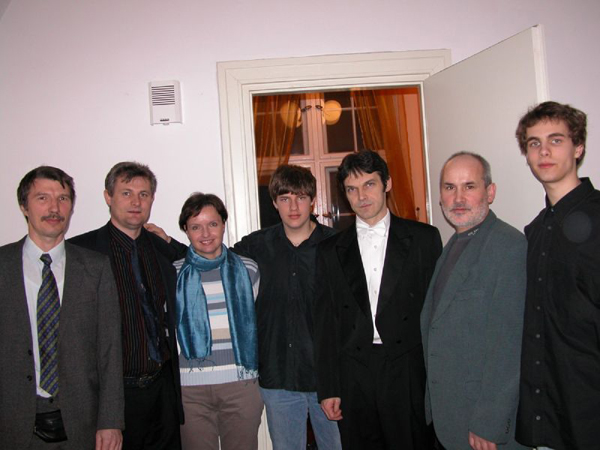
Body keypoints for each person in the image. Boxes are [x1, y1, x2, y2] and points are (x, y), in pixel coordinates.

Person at [314, 150, 442, 450]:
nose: (361, 196)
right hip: (353, 372)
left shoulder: (424, 239)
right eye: (351, 189)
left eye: (369, 184)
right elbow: (325, 323)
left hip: (408, 368)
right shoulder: (329, 250)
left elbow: (438, 315)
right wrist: (328, 387)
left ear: (387, 183)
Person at [0, 166, 123, 449]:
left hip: (82, 423)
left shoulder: (95, 268)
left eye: (63, 199)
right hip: (12, 423)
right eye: (42, 198)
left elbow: (110, 350)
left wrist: (111, 420)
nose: (54, 208)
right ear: (24, 206)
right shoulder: (3, 266)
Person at [69, 162, 184, 450]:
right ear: (108, 197)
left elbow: (199, 260)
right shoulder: (80, 253)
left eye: (144, 194)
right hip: (113, 396)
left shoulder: (161, 249)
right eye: (126, 193)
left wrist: (169, 240)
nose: (136, 202)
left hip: (162, 391)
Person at [420, 152, 528, 450]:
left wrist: (489, 422)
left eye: (469, 186)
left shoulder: (508, 246)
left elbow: (510, 346)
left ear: (490, 192)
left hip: (484, 427)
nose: (458, 198)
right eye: (449, 187)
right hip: (453, 416)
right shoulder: (453, 245)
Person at [233, 165, 341, 450]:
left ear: (313, 201)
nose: (293, 207)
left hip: (329, 379)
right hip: (278, 375)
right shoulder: (257, 245)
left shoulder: (337, 245)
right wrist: (169, 245)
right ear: (274, 202)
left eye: (301, 197)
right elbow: (212, 258)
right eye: (285, 198)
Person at [514, 101, 600, 450]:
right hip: (548, 417)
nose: (544, 151)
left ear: (578, 147)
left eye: (556, 140)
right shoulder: (534, 231)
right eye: (534, 143)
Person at [174, 193, 263, 450]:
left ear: (224, 224)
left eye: (212, 224)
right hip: (190, 391)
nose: (205, 233)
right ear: (186, 230)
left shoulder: (249, 269)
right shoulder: (173, 273)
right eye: (195, 226)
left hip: (241, 386)